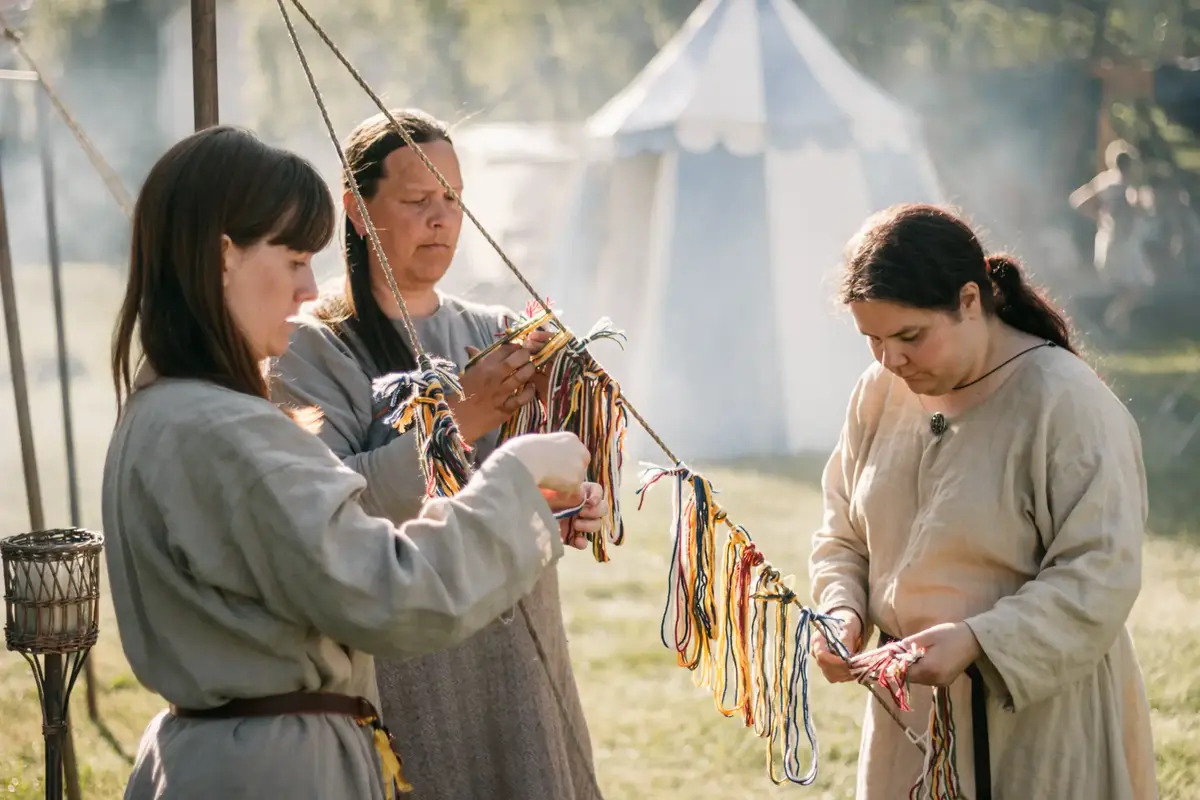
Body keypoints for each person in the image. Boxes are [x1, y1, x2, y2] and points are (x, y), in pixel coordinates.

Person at [104, 125, 599, 800]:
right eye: (292, 260)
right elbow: (390, 591)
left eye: (453, 198)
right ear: (224, 257)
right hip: (271, 774)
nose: (309, 288)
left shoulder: (167, 409)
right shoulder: (223, 427)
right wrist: (514, 475)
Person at [268, 109, 601, 799]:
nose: (441, 220)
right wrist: (461, 416)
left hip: (519, 663)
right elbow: (323, 505)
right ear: (358, 212)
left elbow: (537, 489)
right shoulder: (311, 348)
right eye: (418, 201)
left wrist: (575, 502)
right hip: (411, 664)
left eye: (452, 200)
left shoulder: (496, 331)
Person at [808, 204, 1157, 800]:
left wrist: (978, 640)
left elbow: (1101, 574)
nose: (891, 360)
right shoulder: (878, 392)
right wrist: (844, 611)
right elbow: (843, 531)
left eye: (910, 337)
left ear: (970, 300)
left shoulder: (1067, 404)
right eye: (874, 339)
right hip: (911, 719)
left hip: (1035, 722)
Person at [1069, 139, 1154, 336]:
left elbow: (1078, 200)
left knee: (1127, 286)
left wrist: (1099, 217)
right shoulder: (1128, 185)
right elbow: (1140, 209)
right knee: (1135, 286)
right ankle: (1112, 318)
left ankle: (1121, 331)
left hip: (1110, 238)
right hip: (1123, 243)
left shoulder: (1105, 181)